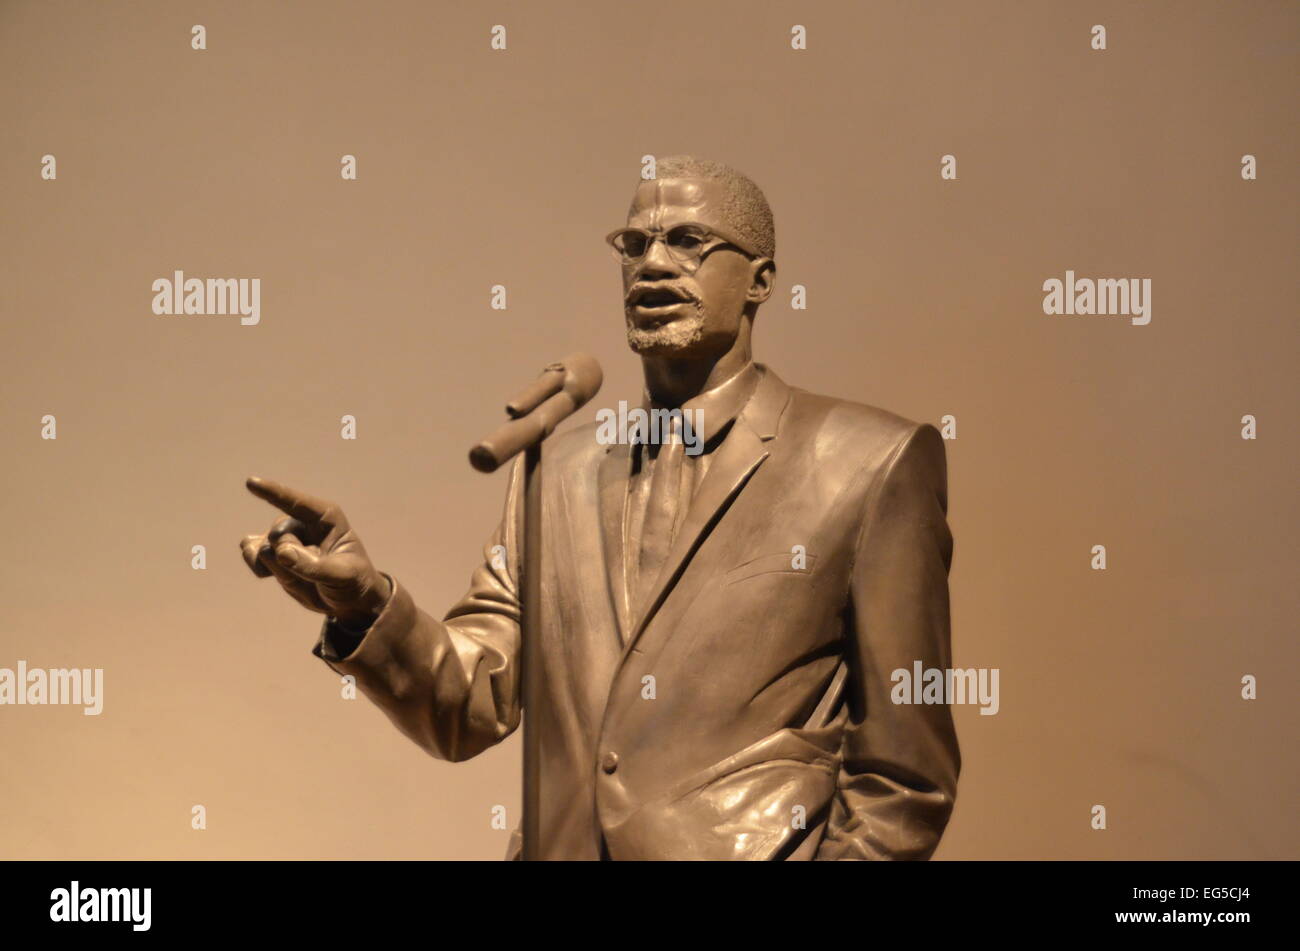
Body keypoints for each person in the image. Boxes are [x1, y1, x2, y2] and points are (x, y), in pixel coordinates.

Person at [240, 155, 960, 860]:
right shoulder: (558, 470)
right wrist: (365, 606)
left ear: (761, 280)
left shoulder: (867, 460)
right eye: (634, 243)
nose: (652, 263)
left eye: (685, 240)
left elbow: (904, 775)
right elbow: (468, 704)